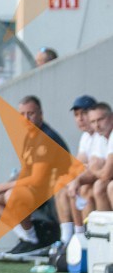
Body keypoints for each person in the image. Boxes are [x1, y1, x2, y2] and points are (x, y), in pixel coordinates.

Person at [0, 95, 68, 255]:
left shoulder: (45, 138)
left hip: (52, 195)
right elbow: (26, 172)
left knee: (11, 195)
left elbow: (37, 180)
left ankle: (34, 241)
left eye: (31, 114)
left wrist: (4, 186)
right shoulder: (30, 136)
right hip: (37, 191)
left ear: (41, 114)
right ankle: (27, 238)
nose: (26, 119)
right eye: (22, 114)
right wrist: (4, 185)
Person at [51, 95, 96, 260]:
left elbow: (96, 168)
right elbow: (78, 166)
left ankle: (82, 237)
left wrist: (77, 176)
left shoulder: (101, 135)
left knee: (79, 187)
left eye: (83, 113)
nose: (80, 119)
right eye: (77, 115)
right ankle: (67, 238)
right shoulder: (85, 137)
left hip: (98, 182)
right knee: (63, 184)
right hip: (90, 179)